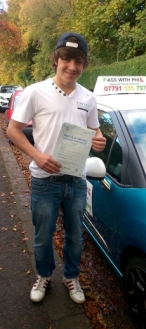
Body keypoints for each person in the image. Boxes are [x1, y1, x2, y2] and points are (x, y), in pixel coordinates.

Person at [7, 32, 106, 304]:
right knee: (42, 237)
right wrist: (37, 156)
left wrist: (98, 139)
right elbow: (13, 130)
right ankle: (44, 275)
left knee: (75, 236)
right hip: (44, 180)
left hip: (76, 180)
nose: (72, 66)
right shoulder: (35, 92)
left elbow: (94, 130)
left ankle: (71, 276)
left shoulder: (89, 98)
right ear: (56, 59)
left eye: (78, 61)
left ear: (84, 65)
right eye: (66, 59)